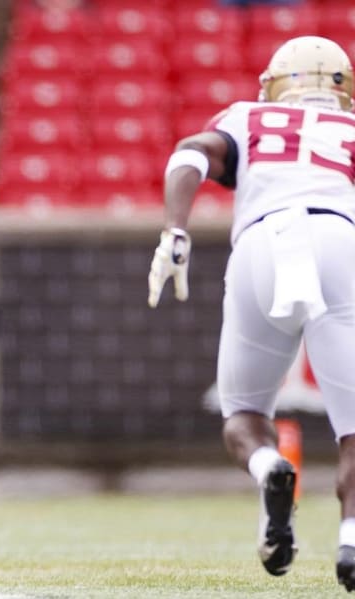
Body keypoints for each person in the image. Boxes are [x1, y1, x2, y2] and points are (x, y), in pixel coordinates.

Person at [146, 35, 355, 590]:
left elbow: (192, 149)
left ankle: (268, 467)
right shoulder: (350, 130)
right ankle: (352, 539)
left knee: (242, 413)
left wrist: (174, 228)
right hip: (340, 240)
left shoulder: (247, 116)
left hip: (261, 243)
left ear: (275, 85)